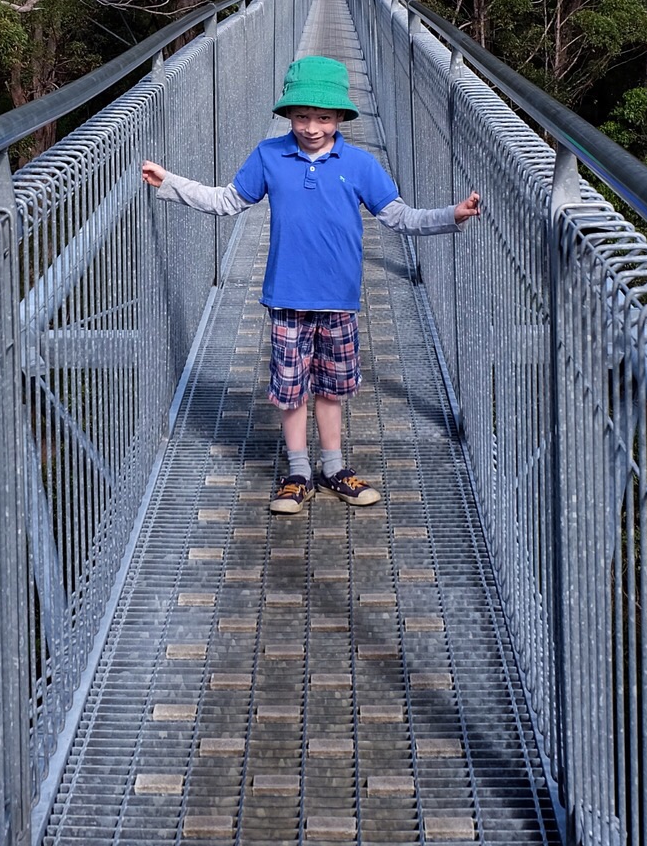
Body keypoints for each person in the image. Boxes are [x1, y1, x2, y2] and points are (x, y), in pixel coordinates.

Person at [141, 53, 481, 513]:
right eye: (302, 116)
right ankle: (298, 470)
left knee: (332, 386)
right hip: (286, 297)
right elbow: (226, 201)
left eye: (323, 116)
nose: (312, 126)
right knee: (290, 385)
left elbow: (398, 216)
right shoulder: (269, 156)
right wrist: (169, 183)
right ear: (288, 115)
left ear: (341, 116)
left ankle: (333, 466)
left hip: (339, 298)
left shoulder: (358, 164)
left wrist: (451, 217)